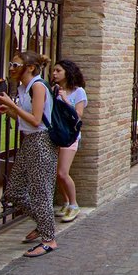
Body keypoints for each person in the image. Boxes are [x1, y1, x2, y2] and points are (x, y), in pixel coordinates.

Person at [0, 51, 59, 258]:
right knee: (13, 191)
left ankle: (49, 240)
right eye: (11, 64)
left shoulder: (38, 86)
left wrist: (13, 106)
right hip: (30, 141)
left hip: (42, 142)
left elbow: (36, 120)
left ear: (30, 67)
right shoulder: (24, 87)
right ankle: (43, 221)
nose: (11, 68)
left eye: (15, 65)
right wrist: (11, 111)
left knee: (40, 193)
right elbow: (26, 120)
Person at [52, 59, 88, 223]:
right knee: (56, 173)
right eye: (54, 71)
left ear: (68, 72)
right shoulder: (55, 90)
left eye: (58, 70)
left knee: (62, 172)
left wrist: (66, 100)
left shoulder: (78, 91)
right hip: (56, 134)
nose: (54, 73)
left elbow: (78, 115)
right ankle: (66, 202)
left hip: (70, 136)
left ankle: (74, 205)